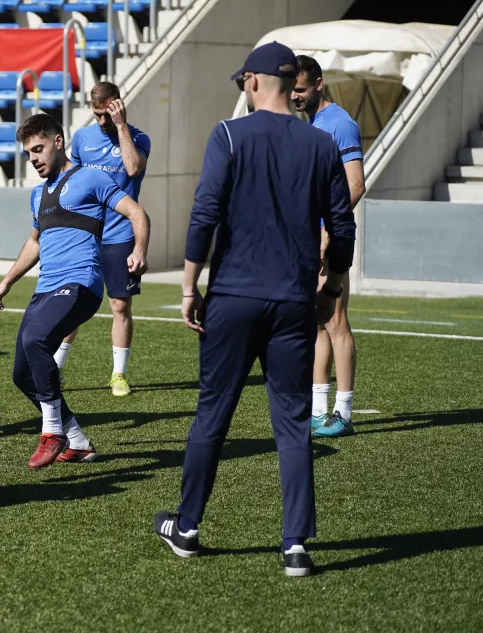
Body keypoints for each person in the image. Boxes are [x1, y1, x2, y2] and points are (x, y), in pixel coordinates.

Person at [152, 42, 356, 577]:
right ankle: (294, 545)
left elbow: (204, 215)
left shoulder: (227, 134)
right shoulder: (321, 144)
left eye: (245, 80)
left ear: (256, 82)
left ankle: (189, 526)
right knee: (292, 424)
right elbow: (343, 229)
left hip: (234, 297)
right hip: (293, 300)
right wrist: (331, 288)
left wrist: (188, 286)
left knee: (212, 413)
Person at [0, 114, 149, 467]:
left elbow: (137, 213)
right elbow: (35, 243)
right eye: (28, 153)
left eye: (39, 149)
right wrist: (6, 281)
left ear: (58, 141)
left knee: (36, 342)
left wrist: (138, 250)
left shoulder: (91, 177)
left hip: (81, 282)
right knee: (22, 375)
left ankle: (52, 432)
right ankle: (78, 441)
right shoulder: (37, 194)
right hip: (45, 288)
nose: (34, 158)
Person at [52, 81, 151, 396]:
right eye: (97, 115)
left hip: (120, 233)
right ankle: (55, 367)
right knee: (72, 300)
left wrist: (121, 126)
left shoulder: (138, 138)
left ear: (118, 106)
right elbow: (74, 180)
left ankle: (118, 374)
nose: (102, 121)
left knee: (119, 304)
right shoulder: (82, 138)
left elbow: (134, 169)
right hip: (85, 233)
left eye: (107, 114)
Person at [293, 55, 365, 438]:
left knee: (335, 321)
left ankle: (344, 412)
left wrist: (325, 231)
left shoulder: (338, 122)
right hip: (312, 238)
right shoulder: (313, 123)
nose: (294, 96)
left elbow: (355, 185)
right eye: (291, 90)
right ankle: (319, 411)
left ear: (319, 84)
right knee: (317, 323)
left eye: (301, 89)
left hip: (332, 238)